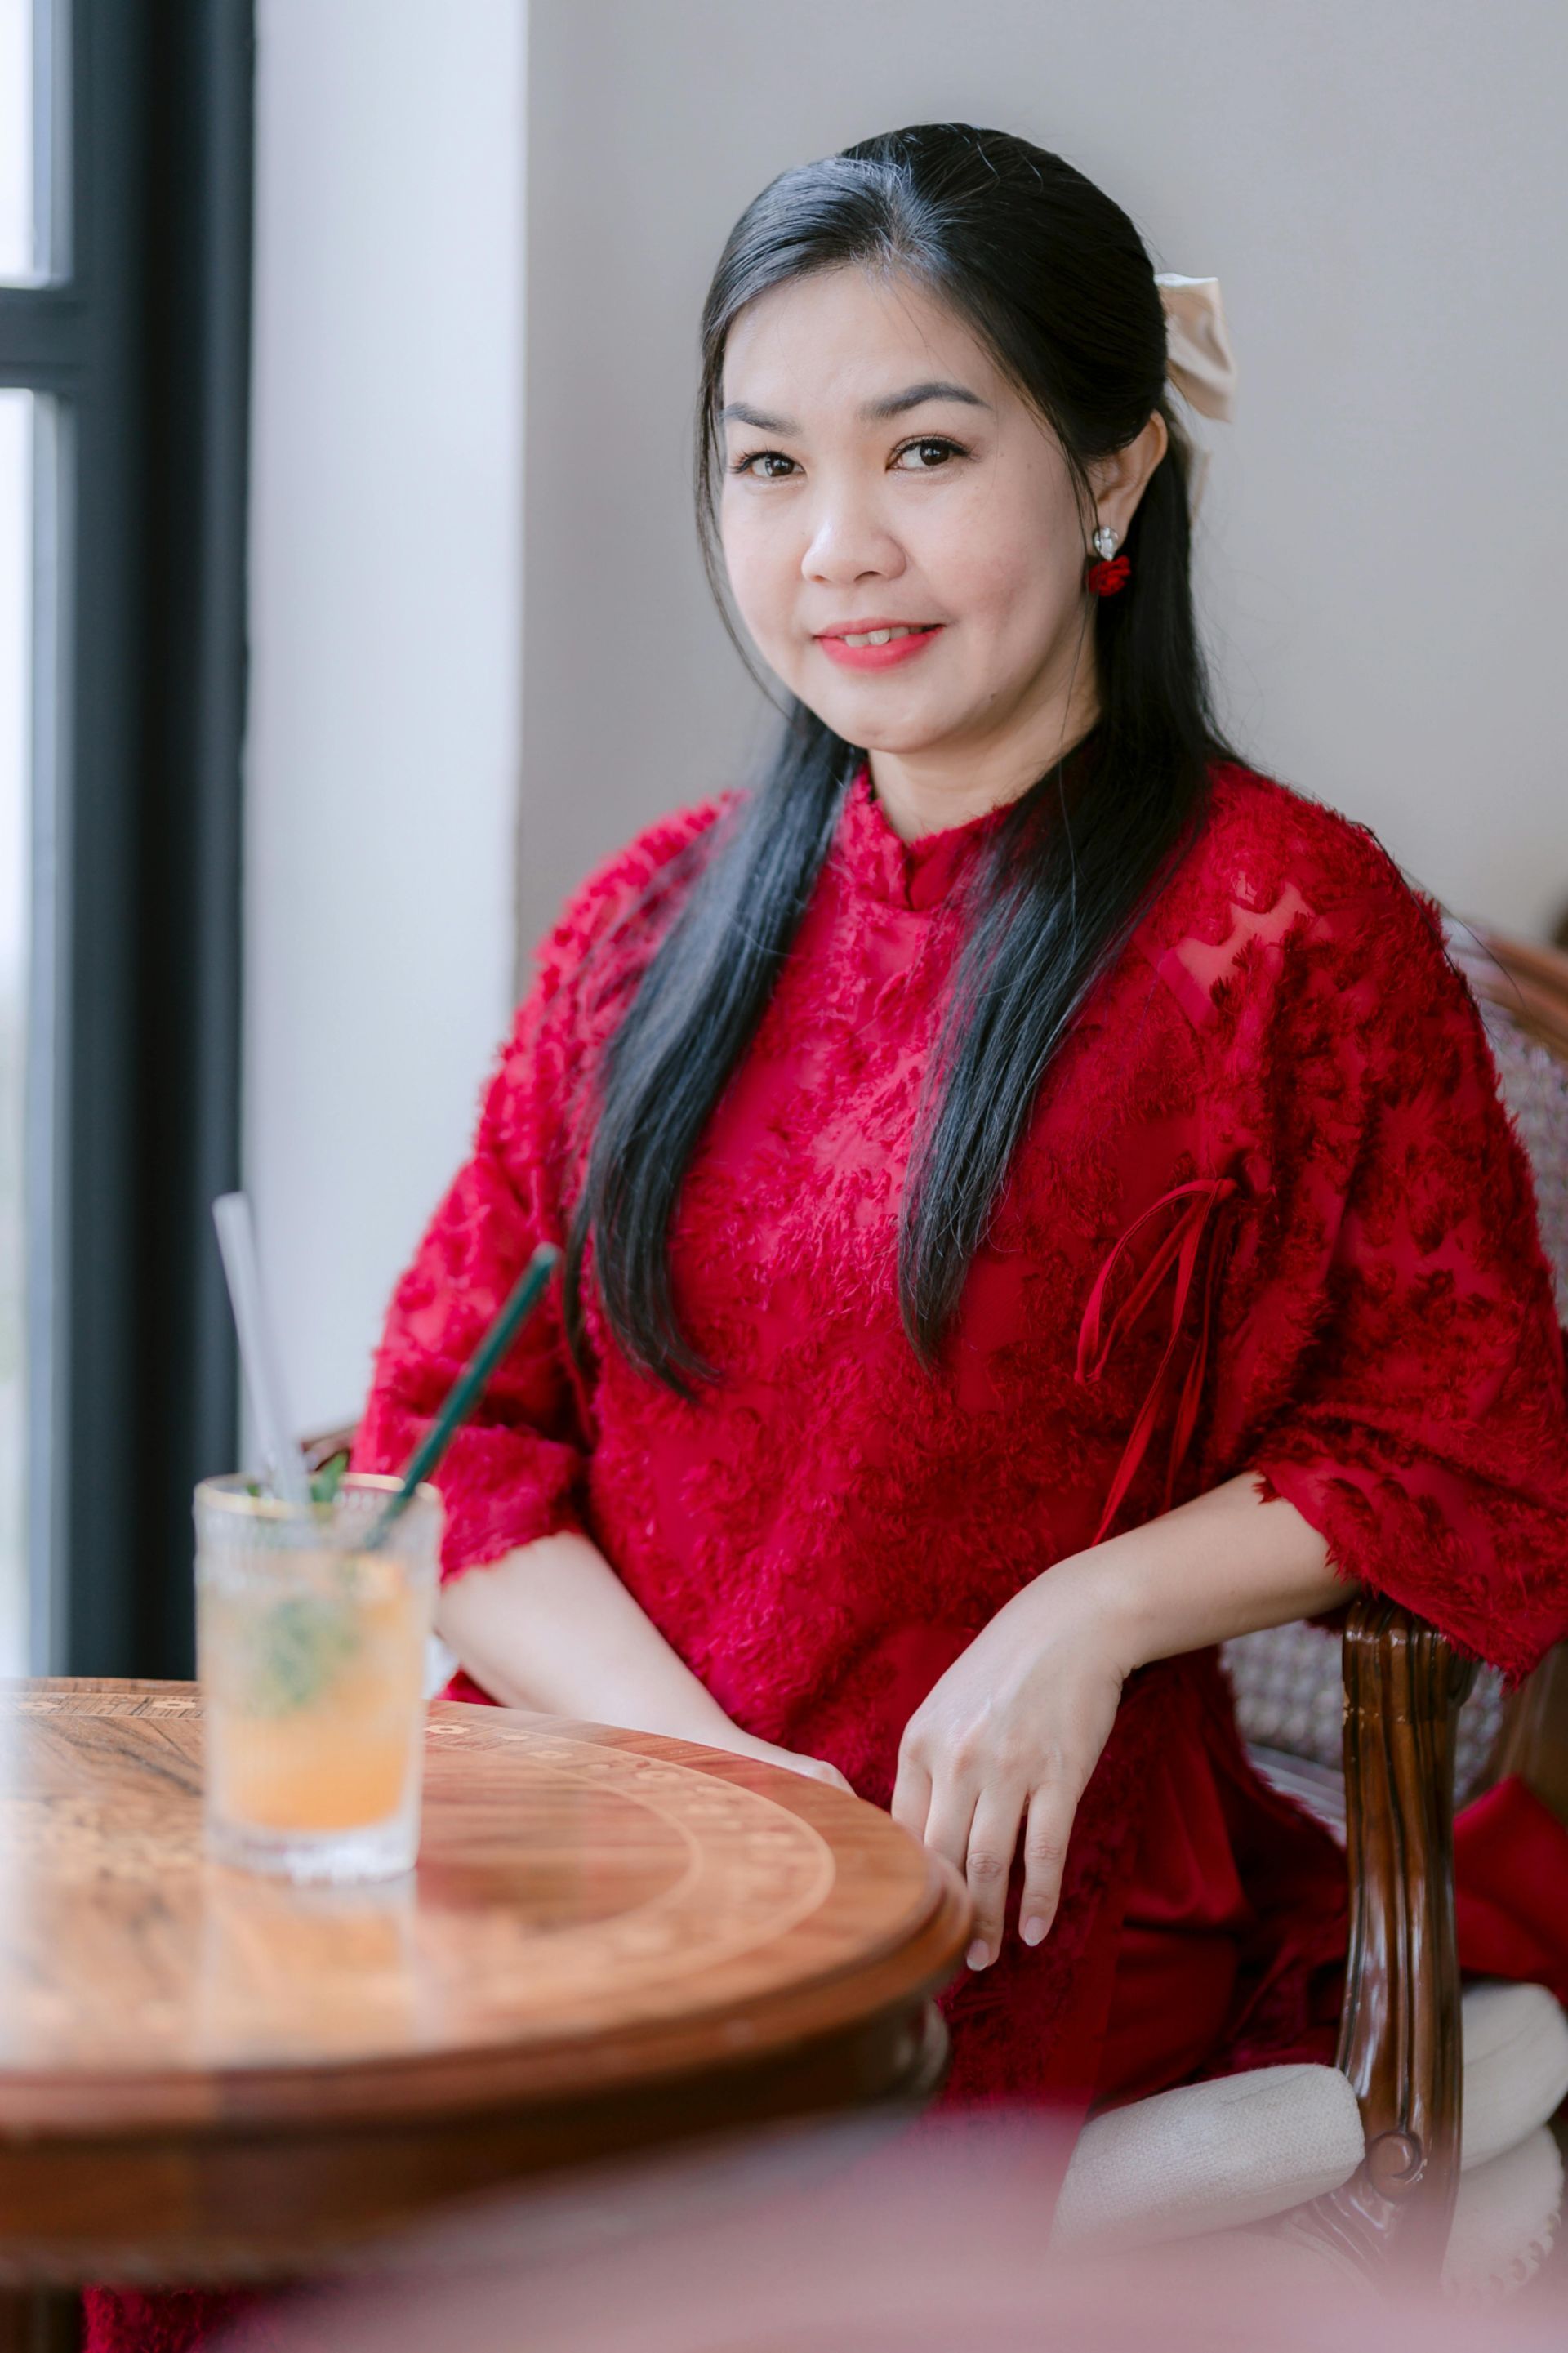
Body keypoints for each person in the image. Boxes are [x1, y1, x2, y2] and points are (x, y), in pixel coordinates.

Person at [354, 123, 1568, 2117]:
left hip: (998, 1901)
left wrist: (1087, 1611)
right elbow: (448, 1442)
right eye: (770, 465)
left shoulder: (1285, 932)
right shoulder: (645, 926)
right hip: (598, 1835)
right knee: (186, 2178)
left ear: (1112, 472)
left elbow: (1471, 1441)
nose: (836, 545)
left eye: (923, 451)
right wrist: (721, 1782)